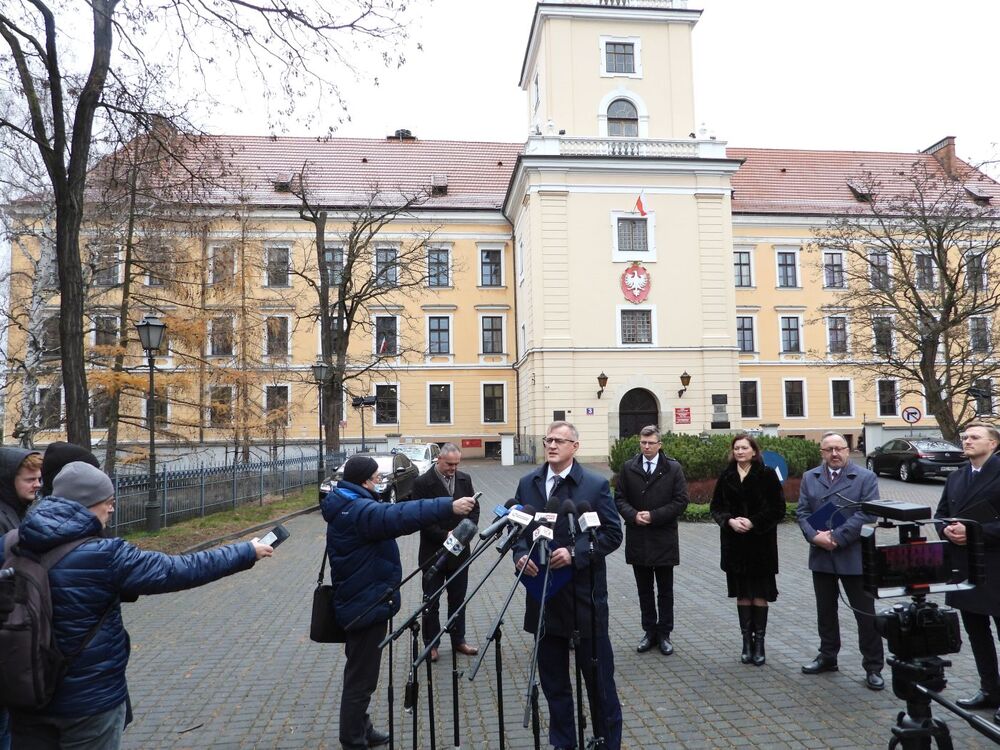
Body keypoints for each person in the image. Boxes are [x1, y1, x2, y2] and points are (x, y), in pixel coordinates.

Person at [3, 461, 273, 748]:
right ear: (87, 504)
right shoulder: (106, 555)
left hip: (27, 693)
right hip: (90, 704)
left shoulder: (13, 542)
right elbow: (179, 569)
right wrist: (246, 551)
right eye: (107, 502)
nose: (111, 509)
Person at [324, 454, 477, 750]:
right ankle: (353, 740)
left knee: (362, 674)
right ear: (363, 481)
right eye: (376, 477)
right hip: (364, 602)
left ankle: (361, 728)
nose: (380, 481)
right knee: (361, 677)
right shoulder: (358, 510)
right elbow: (401, 515)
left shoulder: (345, 502)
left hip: (361, 597)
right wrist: (447, 505)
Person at [513, 421, 624, 750]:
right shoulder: (528, 483)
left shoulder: (593, 485)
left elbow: (611, 535)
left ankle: (607, 742)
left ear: (575, 446)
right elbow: (518, 531)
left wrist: (576, 553)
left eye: (560, 441)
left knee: (599, 685)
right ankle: (564, 743)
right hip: (543, 599)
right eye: (549, 439)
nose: (552, 445)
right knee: (554, 684)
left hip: (583, 600)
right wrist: (519, 555)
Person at [796, 431, 885, 690]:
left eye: (840, 448)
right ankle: (828, 656)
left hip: (854, 555)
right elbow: (802, 512)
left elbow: (868, 513)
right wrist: (814, 537)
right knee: (825, 611)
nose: (835, 454)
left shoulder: (865, 477)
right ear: (822, 453)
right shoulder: (809, 477)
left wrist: (837, 536)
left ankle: (873, 666)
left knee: (865, 614)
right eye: (829, 450)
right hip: (821, 555)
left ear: (848, 450)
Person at [934, 422, 1000, 720]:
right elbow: (940, 514)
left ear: (993, 444)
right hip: (964, 567)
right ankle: (989, 690)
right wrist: (946, 530)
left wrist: (974, 532)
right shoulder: (957, 476)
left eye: (975, 437)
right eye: (965, 437)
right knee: (977, 633)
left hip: (996, 567)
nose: (967, 441)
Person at [710, 434, 785, 666]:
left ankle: (759, 643)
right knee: (743, 595)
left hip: (760, 546)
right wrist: (730, 521)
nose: (740, 452)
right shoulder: (726, 476)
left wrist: (753, 522)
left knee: (760, 595)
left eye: (744, 448)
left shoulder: (767, 475)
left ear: (754, 451)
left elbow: (777, 509)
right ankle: (746, 642)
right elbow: (716, 507)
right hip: (735, 547)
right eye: (736, 448)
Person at [613, 425, 688, 656]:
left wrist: (654, 516)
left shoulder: (673, 468)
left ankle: (664, 633)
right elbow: (619, 498)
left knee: (665, 590)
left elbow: (680, 501)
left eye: (651, 443)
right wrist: (633, 515)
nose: (646, 447)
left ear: (659, 445)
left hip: (663, 537)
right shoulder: (628, 467)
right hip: (639, 537)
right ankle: (649, 632)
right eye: (643, 443)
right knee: (644, 590)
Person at [408, 443, 480, 663]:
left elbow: (474, 508)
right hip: (433, 551)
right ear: (438, 459)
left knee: (458, 599)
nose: (453, 468)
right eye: (449, 464)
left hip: (460, 551)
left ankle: (459, 640)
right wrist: (445, 535)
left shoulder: (464, 479)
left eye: (457, 464)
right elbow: (420, 516)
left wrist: (465, 532)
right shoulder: (422, 482)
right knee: (431, 600)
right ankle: (431, 644)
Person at [0, 447, 41, 750]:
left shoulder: (16, 512)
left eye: (39, 478)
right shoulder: (3, 519)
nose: (37, 484)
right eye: (30, 479)